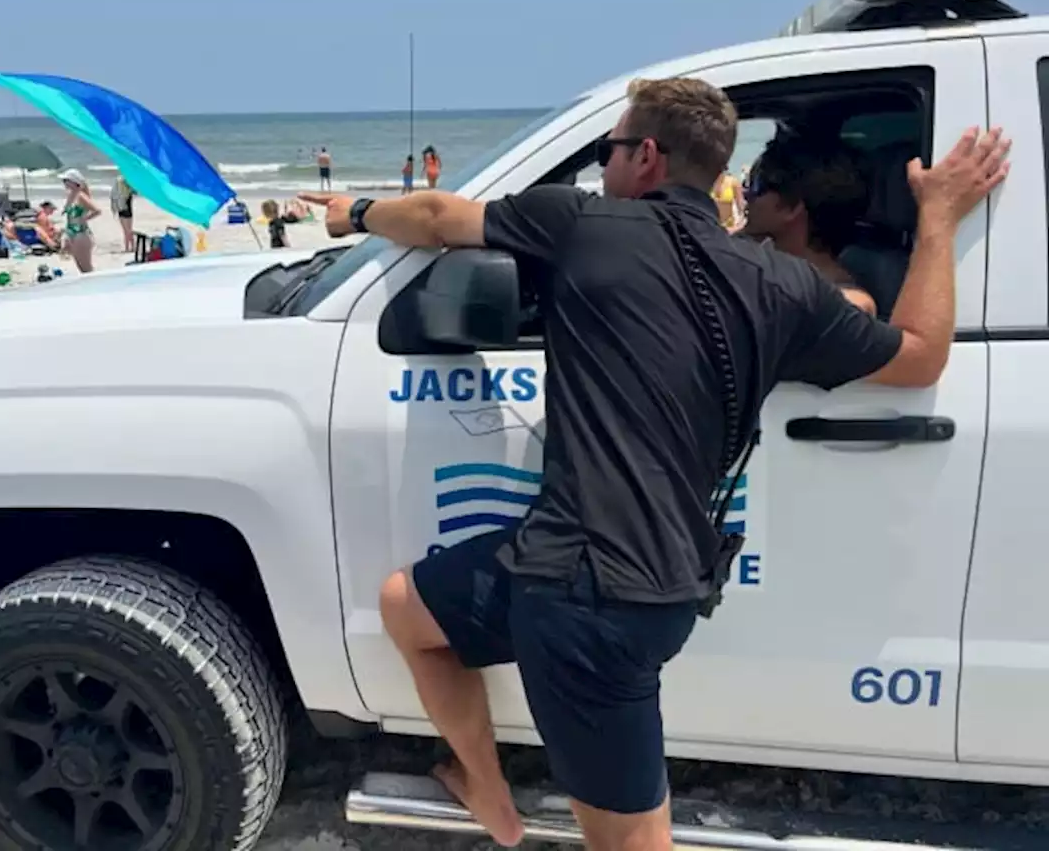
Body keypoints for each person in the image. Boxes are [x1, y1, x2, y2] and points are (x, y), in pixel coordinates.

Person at [298, 76, 1010, 851]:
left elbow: (437, 216)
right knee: (409, 607)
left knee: (634, 844)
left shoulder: (581, 225)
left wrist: (356, 213)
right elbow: (919, 356)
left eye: (607, 151)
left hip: (587, 602)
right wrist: (939, 221)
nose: (602, 167)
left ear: (644, 156)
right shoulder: (782, 283)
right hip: (639, 579)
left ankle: (508, 798)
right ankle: (486, 788)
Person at [740, 134, 877, 314]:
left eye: (756, 185)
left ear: (791, 206)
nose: (745, 194)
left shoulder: (845, 304)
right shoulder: (768, 265)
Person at [60, 169, 101, 273]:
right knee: (80, 267)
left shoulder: (81, 196)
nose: (64, 183)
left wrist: (85, 218)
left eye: (66, 180)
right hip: (71, 232)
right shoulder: (70, 196)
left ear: (74, 182)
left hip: (81, 233)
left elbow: (97, 210)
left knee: (86, 268)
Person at [111, 174, 136, 252]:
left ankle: (128, 248)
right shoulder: (129, 184)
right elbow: (135, 192)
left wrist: (113, 207)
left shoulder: (119, 181)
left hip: (121, 208)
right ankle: (132, 247)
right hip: (128, 209)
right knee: (129, 229)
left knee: (126, 230)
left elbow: (113, 195)